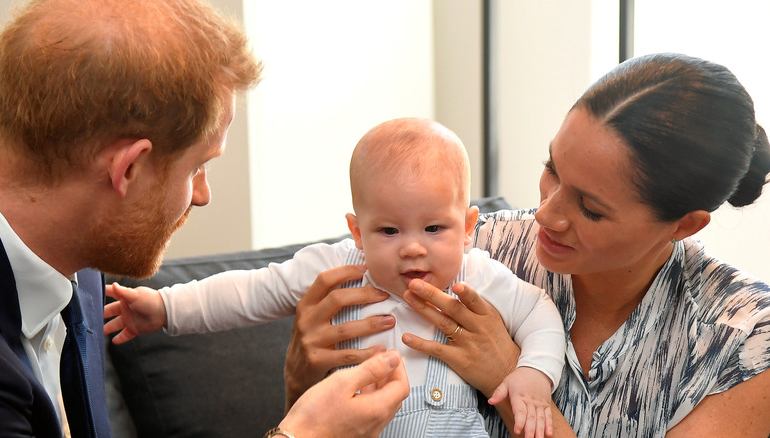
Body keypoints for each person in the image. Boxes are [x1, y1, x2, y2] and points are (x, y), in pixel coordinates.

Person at [283, 53, 770, 437]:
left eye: (590, 208)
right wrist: (302, 378)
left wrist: (508, 377)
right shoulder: (476, 247)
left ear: (684, 225)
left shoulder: (742, 342)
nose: (546, 214)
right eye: (552, 168)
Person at [0, 0, 407, 437]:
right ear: (128, 169)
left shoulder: (80, 263)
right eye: (196, 168)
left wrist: (301, 392)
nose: (203, 195)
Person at [103, 117, 566, 438]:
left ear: (467, 228)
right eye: (388, 230)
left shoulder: (478, 275)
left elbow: (540, 315)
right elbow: (250, 291)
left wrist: (532, 375)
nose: (412, 247)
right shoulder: (336, 268)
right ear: (356, 231)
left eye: (434, 228)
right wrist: (164, 309)